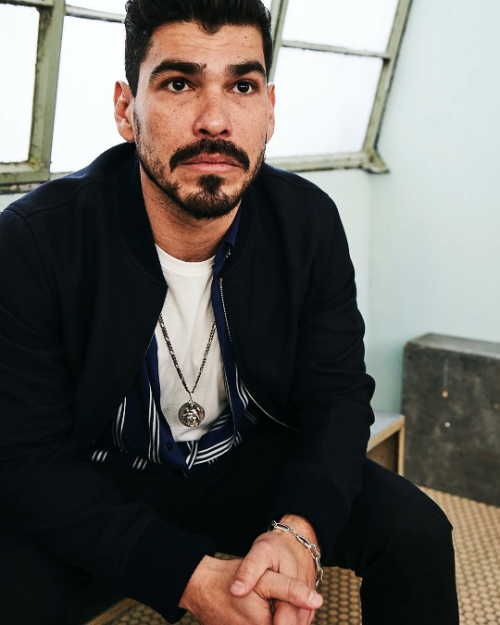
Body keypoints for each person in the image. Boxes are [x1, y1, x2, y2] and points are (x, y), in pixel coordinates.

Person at [0, 1, 459, 624]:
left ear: (269, 110)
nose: (214, 120)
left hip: (242, 460)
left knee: (417, 531)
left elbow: (336, 395)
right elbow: (25, 456)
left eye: (241, 85)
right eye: (179, 84)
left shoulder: (309, 223)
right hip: (101, 474)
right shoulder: (32, 241)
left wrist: (299, 532)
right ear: (125, 111)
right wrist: (185, 575)